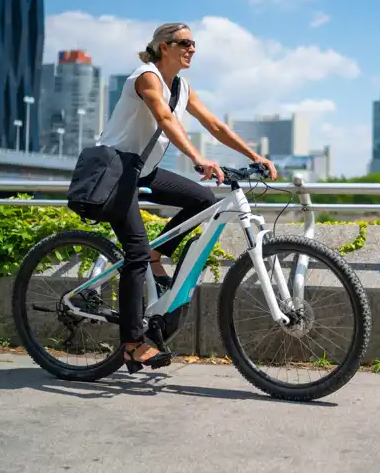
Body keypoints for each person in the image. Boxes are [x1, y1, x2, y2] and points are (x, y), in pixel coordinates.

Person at [98, 22, 277, 370]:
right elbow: (164, 118)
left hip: (142, 170)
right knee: (132, 255)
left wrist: (254, 156)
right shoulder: (146, 77)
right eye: (186, 43)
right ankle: (133, 343)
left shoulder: (181, 87)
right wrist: (198, 158)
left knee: (204, 201)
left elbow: (215, 126)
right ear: (165, 46)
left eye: (195, 44)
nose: (192, 49)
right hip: (116, 170)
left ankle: (156, 253)